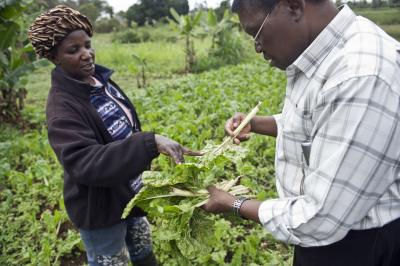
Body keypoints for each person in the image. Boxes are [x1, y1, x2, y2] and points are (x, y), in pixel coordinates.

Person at [202, 0, 400, 265]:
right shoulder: (327, 52)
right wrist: (258, 123)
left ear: (294, 7)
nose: (257, 47)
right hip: (332, 237)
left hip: (357, 245)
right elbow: (322, 122)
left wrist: (234, 204)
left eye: (256, 34)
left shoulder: (359, 74)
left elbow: (322, 217)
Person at [28, 5, 201, 266]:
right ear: (54, 58)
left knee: (143, 250)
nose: (86, 55)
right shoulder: (61, 109)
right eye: (73, 50)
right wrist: (149, 143)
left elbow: (127, 127)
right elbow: (85, 162)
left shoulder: (99, 81)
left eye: (87, 45)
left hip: (129, 190)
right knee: (112, 260)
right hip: (100, 207)